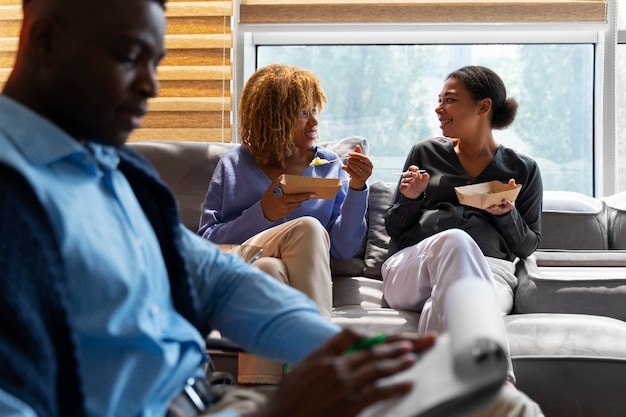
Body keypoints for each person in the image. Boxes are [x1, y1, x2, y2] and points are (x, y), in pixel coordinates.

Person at [0, 1, 435, 416]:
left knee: (473, 398)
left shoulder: (121, 171)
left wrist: (345, 353)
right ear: (47, 40)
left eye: (156, 62)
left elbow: (215, 279)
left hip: (205, 396)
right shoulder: (16, 199)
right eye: (130, 55)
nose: (151, 85)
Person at [382, 65, 544, 416]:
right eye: (438, 100)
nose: (438, 108)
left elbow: (527, 247)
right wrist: (410, 199)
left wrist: (505, 214)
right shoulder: (424, 153)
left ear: (483, 107)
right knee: (454, 241)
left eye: (450, 101)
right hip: (414, 266)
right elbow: (393, 228)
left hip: (490, 271)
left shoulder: (523, 169)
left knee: (436, 310)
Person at [197, 64, 372, 384]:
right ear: (273, 116)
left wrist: (357, 190)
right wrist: (263, 212)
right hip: (237, 266)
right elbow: (206, 243)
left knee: (270, 272)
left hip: (261, 276)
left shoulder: (330, 165)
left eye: (315, 110)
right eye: (303, 113)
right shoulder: (234, 164)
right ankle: (323, 363)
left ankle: (258, 393)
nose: (315, 122)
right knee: (306, 227)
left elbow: (345, 248)